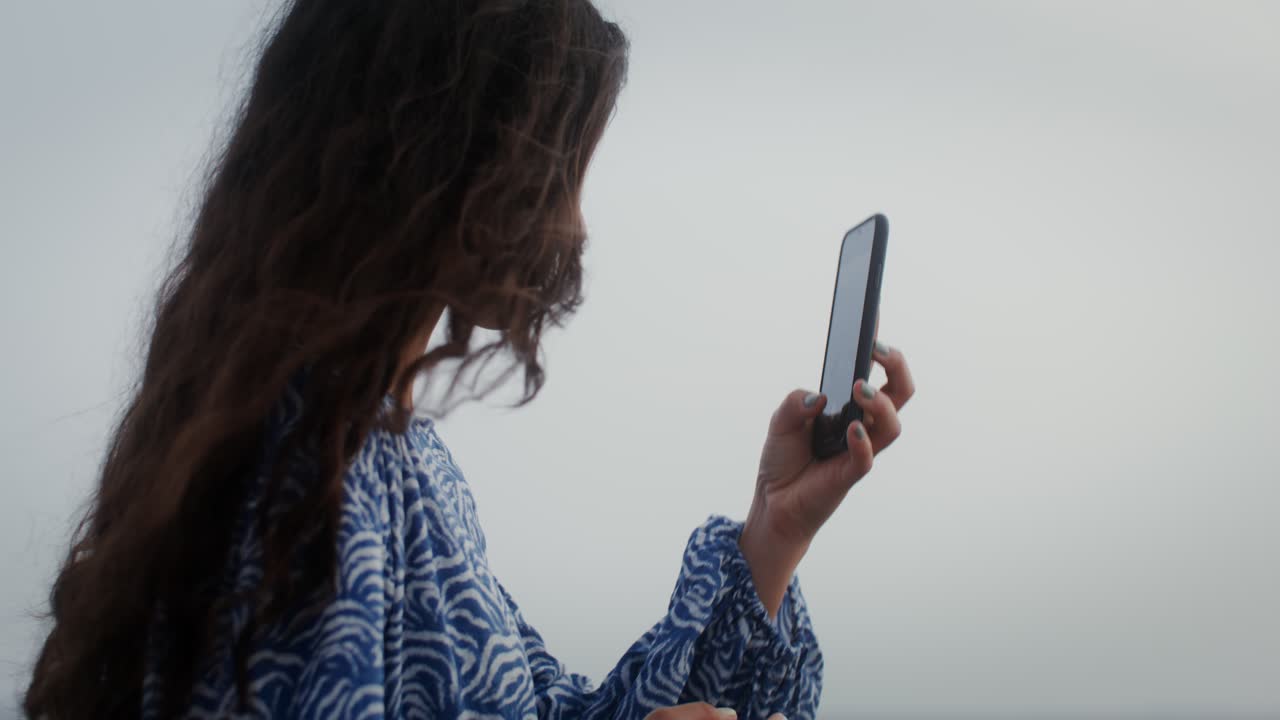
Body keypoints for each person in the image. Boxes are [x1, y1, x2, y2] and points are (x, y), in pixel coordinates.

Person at [24, 1, 914, 718]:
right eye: (563, 166)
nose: (576, 222)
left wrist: (776, 528)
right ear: (463, 155)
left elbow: (559, 711)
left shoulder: (388, 455)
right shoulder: (312, 483)